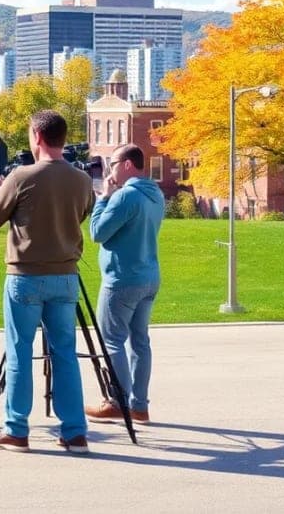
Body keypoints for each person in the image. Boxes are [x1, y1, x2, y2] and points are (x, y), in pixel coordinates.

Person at [0, 110, 95, 454]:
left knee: (19, 352)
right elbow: (84, 211)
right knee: (65, 354)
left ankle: (16, 429)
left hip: (26, 276)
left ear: (38, 137)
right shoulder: (82, 179)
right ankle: (74, 431)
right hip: (66, 276)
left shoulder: (21, 176)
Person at [86, 143, 164, 424]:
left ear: (128, 164)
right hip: (148, 276)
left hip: (122, 279)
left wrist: (103, 198)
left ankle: (117, 401)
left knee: (112, 341)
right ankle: (139, 406)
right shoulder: (155, 194)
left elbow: (97, 233)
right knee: (140, 342)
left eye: (114, 163)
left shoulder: (125, 196)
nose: (110, 170)